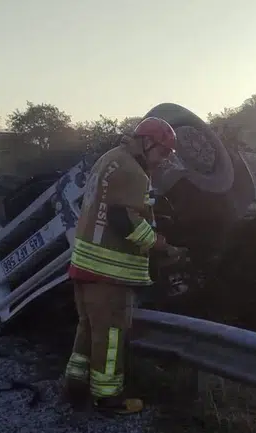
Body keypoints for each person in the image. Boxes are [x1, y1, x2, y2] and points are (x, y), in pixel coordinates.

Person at [62, 117, 187, 414]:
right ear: (146, 142)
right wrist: (162, 246)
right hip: (109, 273)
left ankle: (74, 387)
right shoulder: (134, 173)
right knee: (112, 336)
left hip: (85, 265)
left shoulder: (110, 160)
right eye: (163, 152)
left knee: (89, 330)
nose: (165, 159)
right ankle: (108, 399)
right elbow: (124, 220)